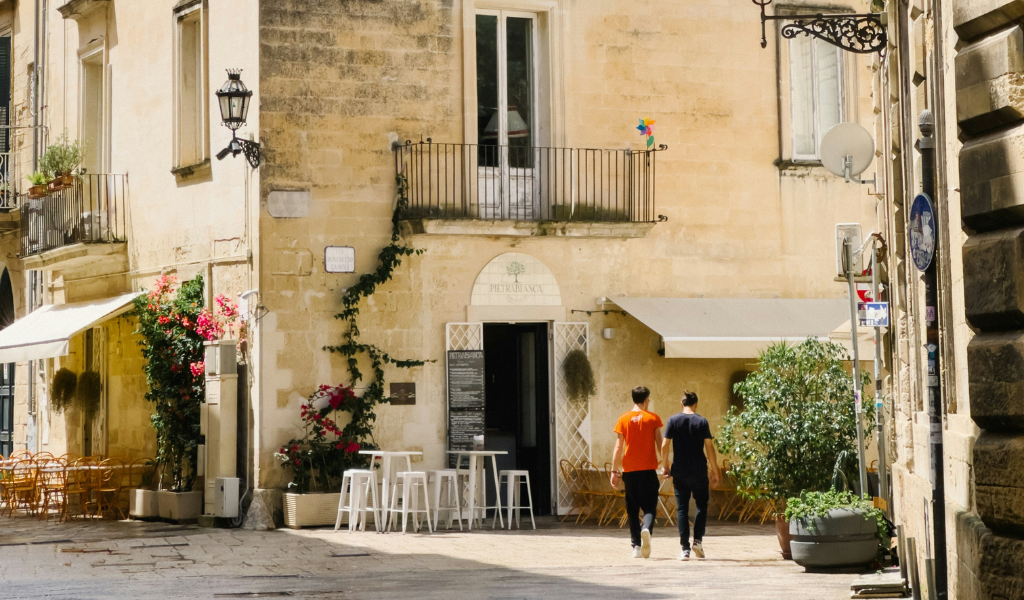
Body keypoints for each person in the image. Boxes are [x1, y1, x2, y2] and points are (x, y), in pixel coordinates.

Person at [661, 391, 722, 560]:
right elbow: (709, 447)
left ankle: (684, 549)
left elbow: (665, 444)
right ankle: (698, 541)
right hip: (699, 470)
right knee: (702, 505)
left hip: (680, 470)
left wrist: (665, 465)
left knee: (682, 509)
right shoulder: (702, 421)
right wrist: (715, 468)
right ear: (696, 404)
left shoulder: (673, 420)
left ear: (682, 404)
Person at [610, 386, 664, 559]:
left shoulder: (623, 419)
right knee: (650, 506)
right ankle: (646, 528)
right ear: (646, 399)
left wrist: (614, 470)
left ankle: (636, 547)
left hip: (630, 470)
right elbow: (660, 443)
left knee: (632, 509)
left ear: (633, 399)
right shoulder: (653, 418)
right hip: (648, 469)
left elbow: (619, 447)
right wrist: (666, 464)